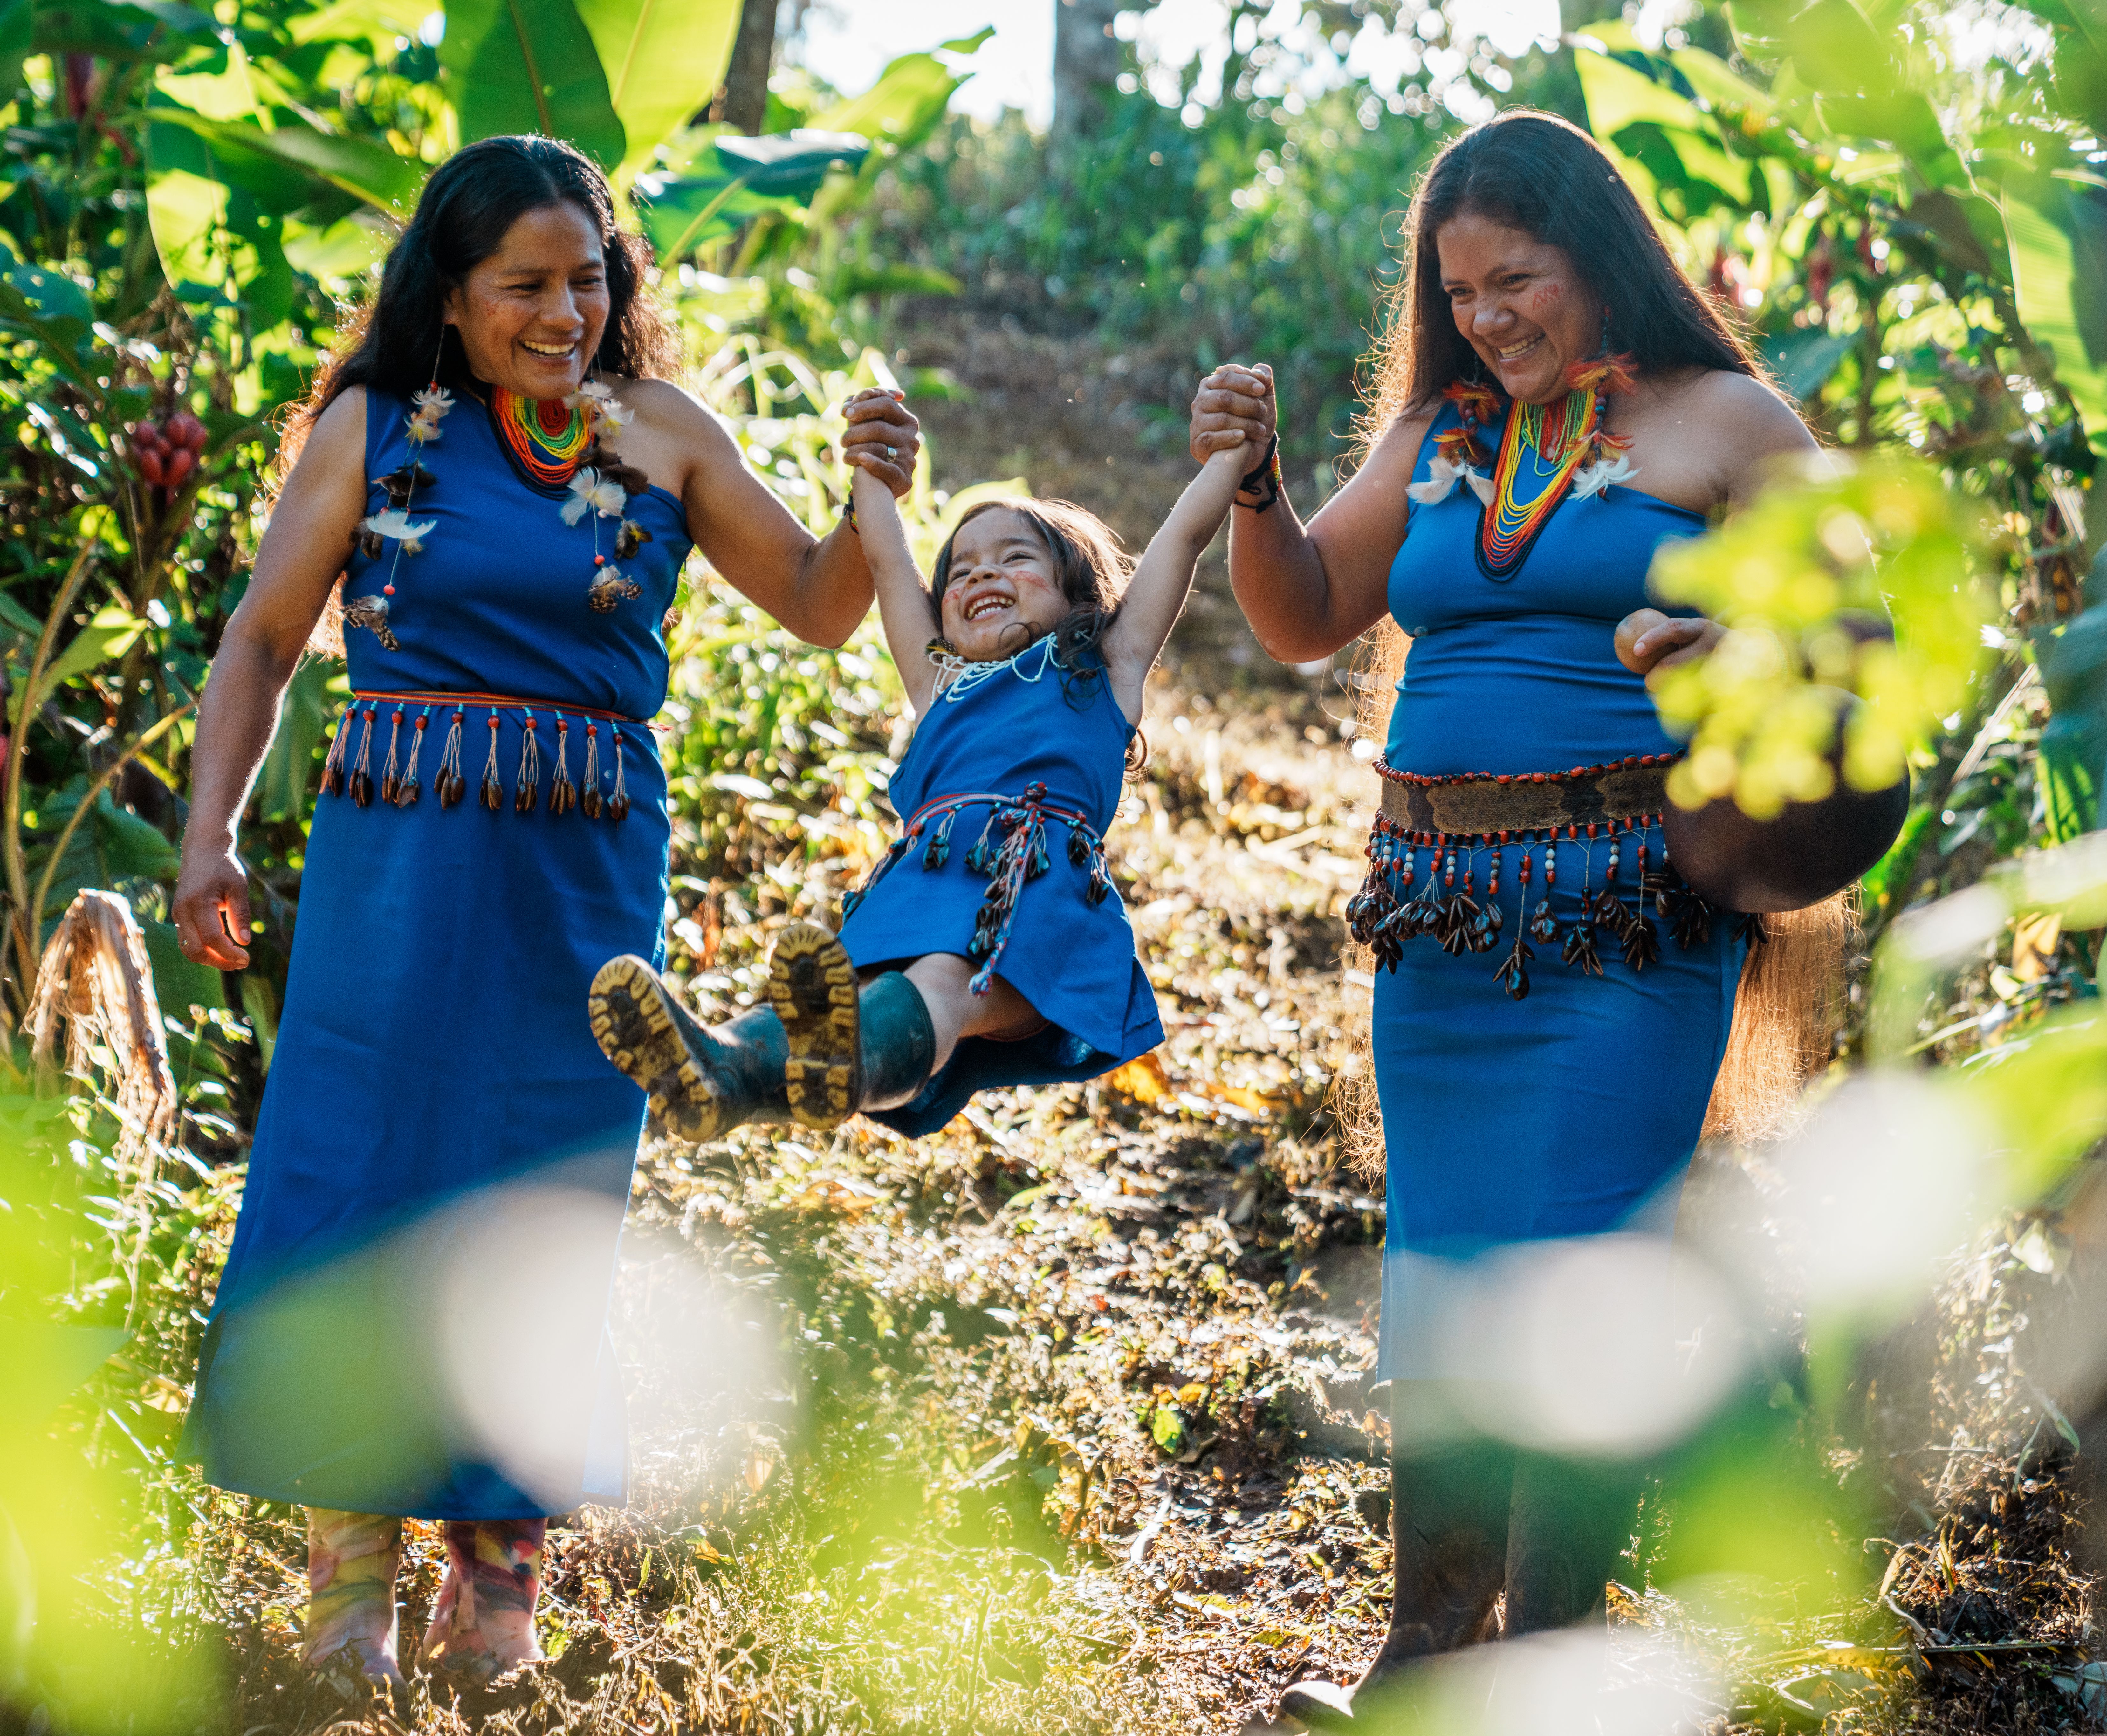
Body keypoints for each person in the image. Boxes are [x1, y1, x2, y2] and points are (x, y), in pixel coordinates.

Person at [167, 134, 921, 1692]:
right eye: (525, 286)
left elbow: (820, 602)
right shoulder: (376, 430)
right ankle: (349, 1580)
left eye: (589, 277)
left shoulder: (663, 434)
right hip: (398, 860)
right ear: (449, 299)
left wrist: (871, 499)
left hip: (582, 870)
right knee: (364, 1173)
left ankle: (499, 1585)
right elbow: (262, 641)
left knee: (544, 1190)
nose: (565, 310)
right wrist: (211, 834)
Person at [1185, 111, 1819, 1724]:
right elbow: (1307, 614)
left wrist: (1735, 656)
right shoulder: (1445, 436)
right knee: (1449, 1284)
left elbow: (1876, 631)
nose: (1486, 317)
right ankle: (1422, 1659)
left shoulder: (1731, 421)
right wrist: (1255, 489)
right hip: (1443, 933)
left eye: (1515, 278)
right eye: (1457, 291)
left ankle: (1537, 1669)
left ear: (1599, 259)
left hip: (1630, 928)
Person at [587, 407, 1261, 1140]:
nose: (981, 576)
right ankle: (723, 1074)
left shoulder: (1103, 668)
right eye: (961, 571)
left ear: (1078, 595)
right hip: (920, 886)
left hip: (1029, 892)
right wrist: (873, 470)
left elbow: (1184, 538)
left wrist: (1233, 453)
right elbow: (883, 556)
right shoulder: (940, 682)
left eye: (1014, 559)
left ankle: (845, 1066)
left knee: (942, 982)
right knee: (837, 1000)